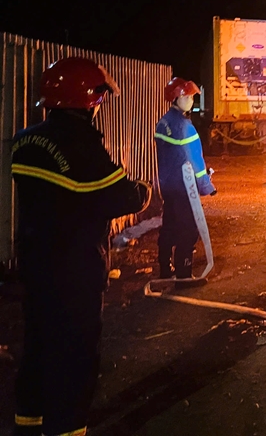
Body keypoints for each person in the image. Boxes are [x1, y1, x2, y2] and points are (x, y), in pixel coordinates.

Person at [10, 57, 152, 436]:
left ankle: (28, 423)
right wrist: (143, 189)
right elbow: (122, 196)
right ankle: (67, 428)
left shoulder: (25, 141)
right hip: (75, 271)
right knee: (75, 356)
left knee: (37, 345)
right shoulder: (82, 145)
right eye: (100, 98)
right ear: (90, 99)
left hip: (35, 263)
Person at [154, 77, 216, 279]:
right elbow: (194, 161)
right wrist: (206, 186)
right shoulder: (184, 127)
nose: (191, 101)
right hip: (184, 187)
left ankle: (165, 268)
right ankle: (183, 273)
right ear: (176, 98)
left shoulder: (163, 122)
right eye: (187, 97)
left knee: (169, 226)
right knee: (188, 230)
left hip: (168, 185)